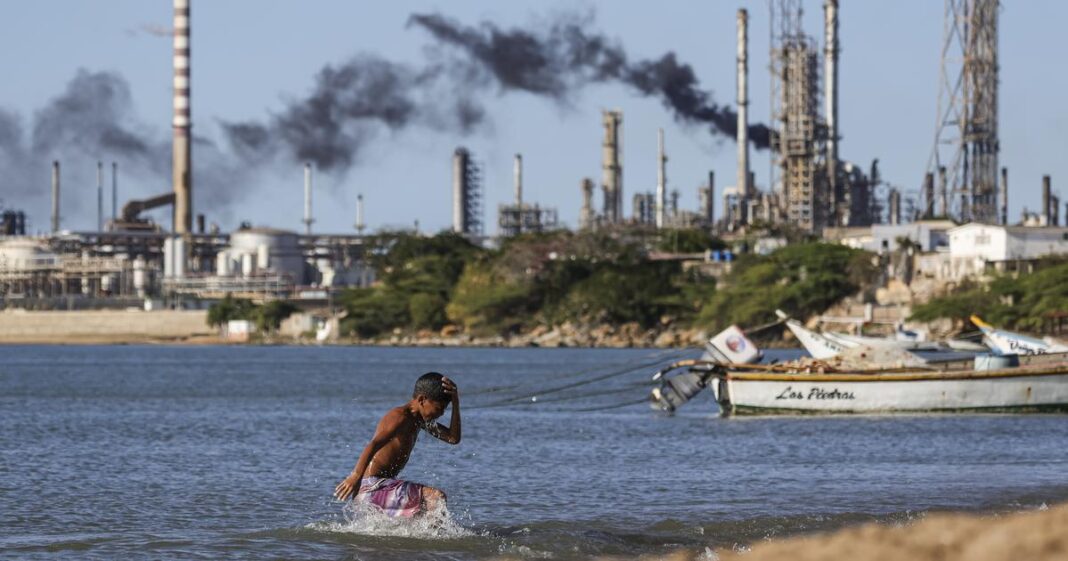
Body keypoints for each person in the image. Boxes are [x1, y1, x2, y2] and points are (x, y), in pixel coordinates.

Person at [333, 372, 461, 517]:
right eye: (439, 408)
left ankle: (433, 535)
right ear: (422, 399)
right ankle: (439, 538)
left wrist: (456, 401)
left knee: (422, 514)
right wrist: (355, 476)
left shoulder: (419, 420)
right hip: (372, 487)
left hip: (384, 486)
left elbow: (452, 438)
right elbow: (374, 444)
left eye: (445, 409)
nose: (442, 413)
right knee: (436, 497)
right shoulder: (400, 417)